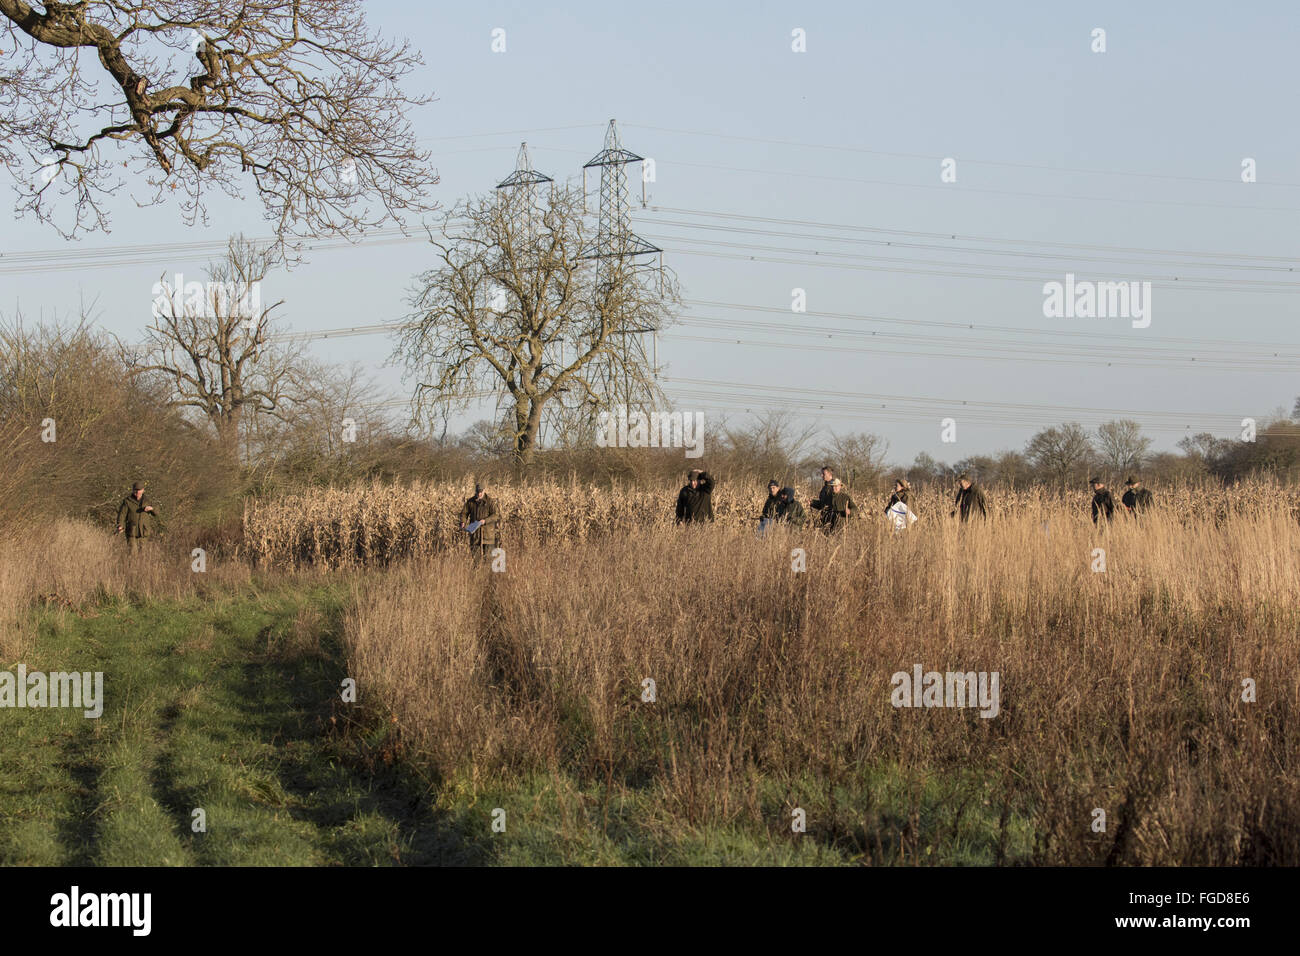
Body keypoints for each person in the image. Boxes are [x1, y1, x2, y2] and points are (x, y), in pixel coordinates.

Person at [116, 481, 158, 554]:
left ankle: (141, 565)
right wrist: (120, 525)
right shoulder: (127, 501)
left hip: (144, 532)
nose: (136, 492)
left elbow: (156, 513)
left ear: (143, 490)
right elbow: (122, 514)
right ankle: (132, 565)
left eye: (138, 490)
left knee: (143, 554)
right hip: (131, 531)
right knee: (132, 553)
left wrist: (152, 509)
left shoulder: (148, 501)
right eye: (135, 490)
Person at [459, 483, 501, 555]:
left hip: (488, 535)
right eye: (478, 492)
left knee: (488, 559)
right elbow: (464, 513)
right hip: (475, 534)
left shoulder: (490, 502)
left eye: (481, 492)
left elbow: (496, 515)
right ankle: (477, 567)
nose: (479, 494)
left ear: (484, 490)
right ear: (475, 491)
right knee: (475, 558)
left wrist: (485, 521)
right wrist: (463, 522)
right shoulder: (471, 502)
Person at [808, 465, 836, 529]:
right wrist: (812, 502)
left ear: (829, 474)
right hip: (824, 517)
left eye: (823, 474)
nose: (821, 476)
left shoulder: (834, 487)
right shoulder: (825, 487)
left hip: (831, 519)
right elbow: (822, 504)